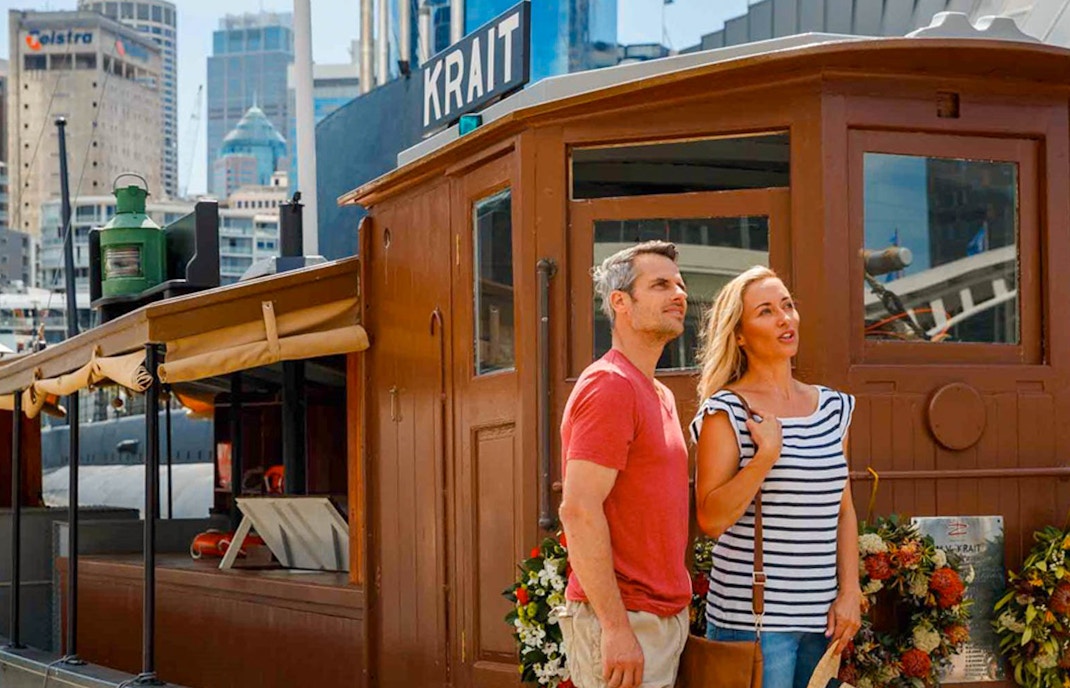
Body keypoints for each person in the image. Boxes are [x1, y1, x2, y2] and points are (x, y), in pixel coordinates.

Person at [691, 266, 862, 688]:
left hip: (822, 623)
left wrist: (849, 594)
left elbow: (843, 511)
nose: (785, 318)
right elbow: (711, 519)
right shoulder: (726, 411)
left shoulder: (833, 409)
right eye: (766, 311)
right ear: (741, 335)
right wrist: (765, 455)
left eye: (787, 305)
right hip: (754, 624)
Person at [558, 241, 692, 688]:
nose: (679, 294)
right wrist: (615, 629)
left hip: (660, 618)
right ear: (621, 302)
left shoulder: (660, 394)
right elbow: (578, 509)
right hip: (623, 620)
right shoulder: (611, 387)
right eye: (660, 285)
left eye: (680, 283)